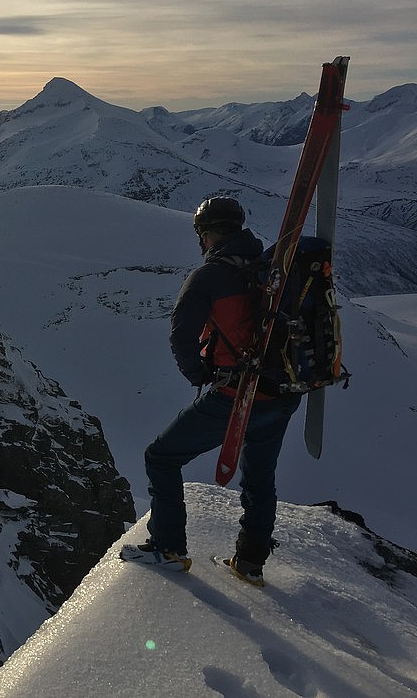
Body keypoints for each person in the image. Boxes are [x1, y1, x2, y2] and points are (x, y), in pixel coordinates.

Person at [119, 196, 303, 585]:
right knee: (259, 479)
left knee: (161, 457)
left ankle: (167, 548)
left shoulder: (209, 277)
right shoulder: (271, 268)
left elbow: (181, 337)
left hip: (235, 395)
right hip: (280, 394)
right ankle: (250, 564)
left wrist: (201, 374)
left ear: (205, 234)